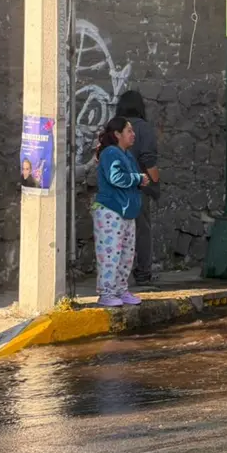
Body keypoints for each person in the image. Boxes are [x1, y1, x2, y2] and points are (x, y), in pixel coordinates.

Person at [93, 117, 149, 307]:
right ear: (117, 134)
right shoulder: (110, 153)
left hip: (126, 212)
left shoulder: (126, 154)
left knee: (126, 254)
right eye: (129, 131)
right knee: (110, 255)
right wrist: (138, 178)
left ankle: (120, 290)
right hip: (111, 211)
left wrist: (138, 180)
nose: (133, 134)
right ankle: (106, 293)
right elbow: (115, 177)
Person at [116, 90, 160, 286]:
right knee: (142, 230)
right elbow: (148, 158)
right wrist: (155, 180)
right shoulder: (142, 128)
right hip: (138, 186)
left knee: (117, 230)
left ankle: (116, 274)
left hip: (116, 186)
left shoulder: (113, 128)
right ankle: (143, 273)